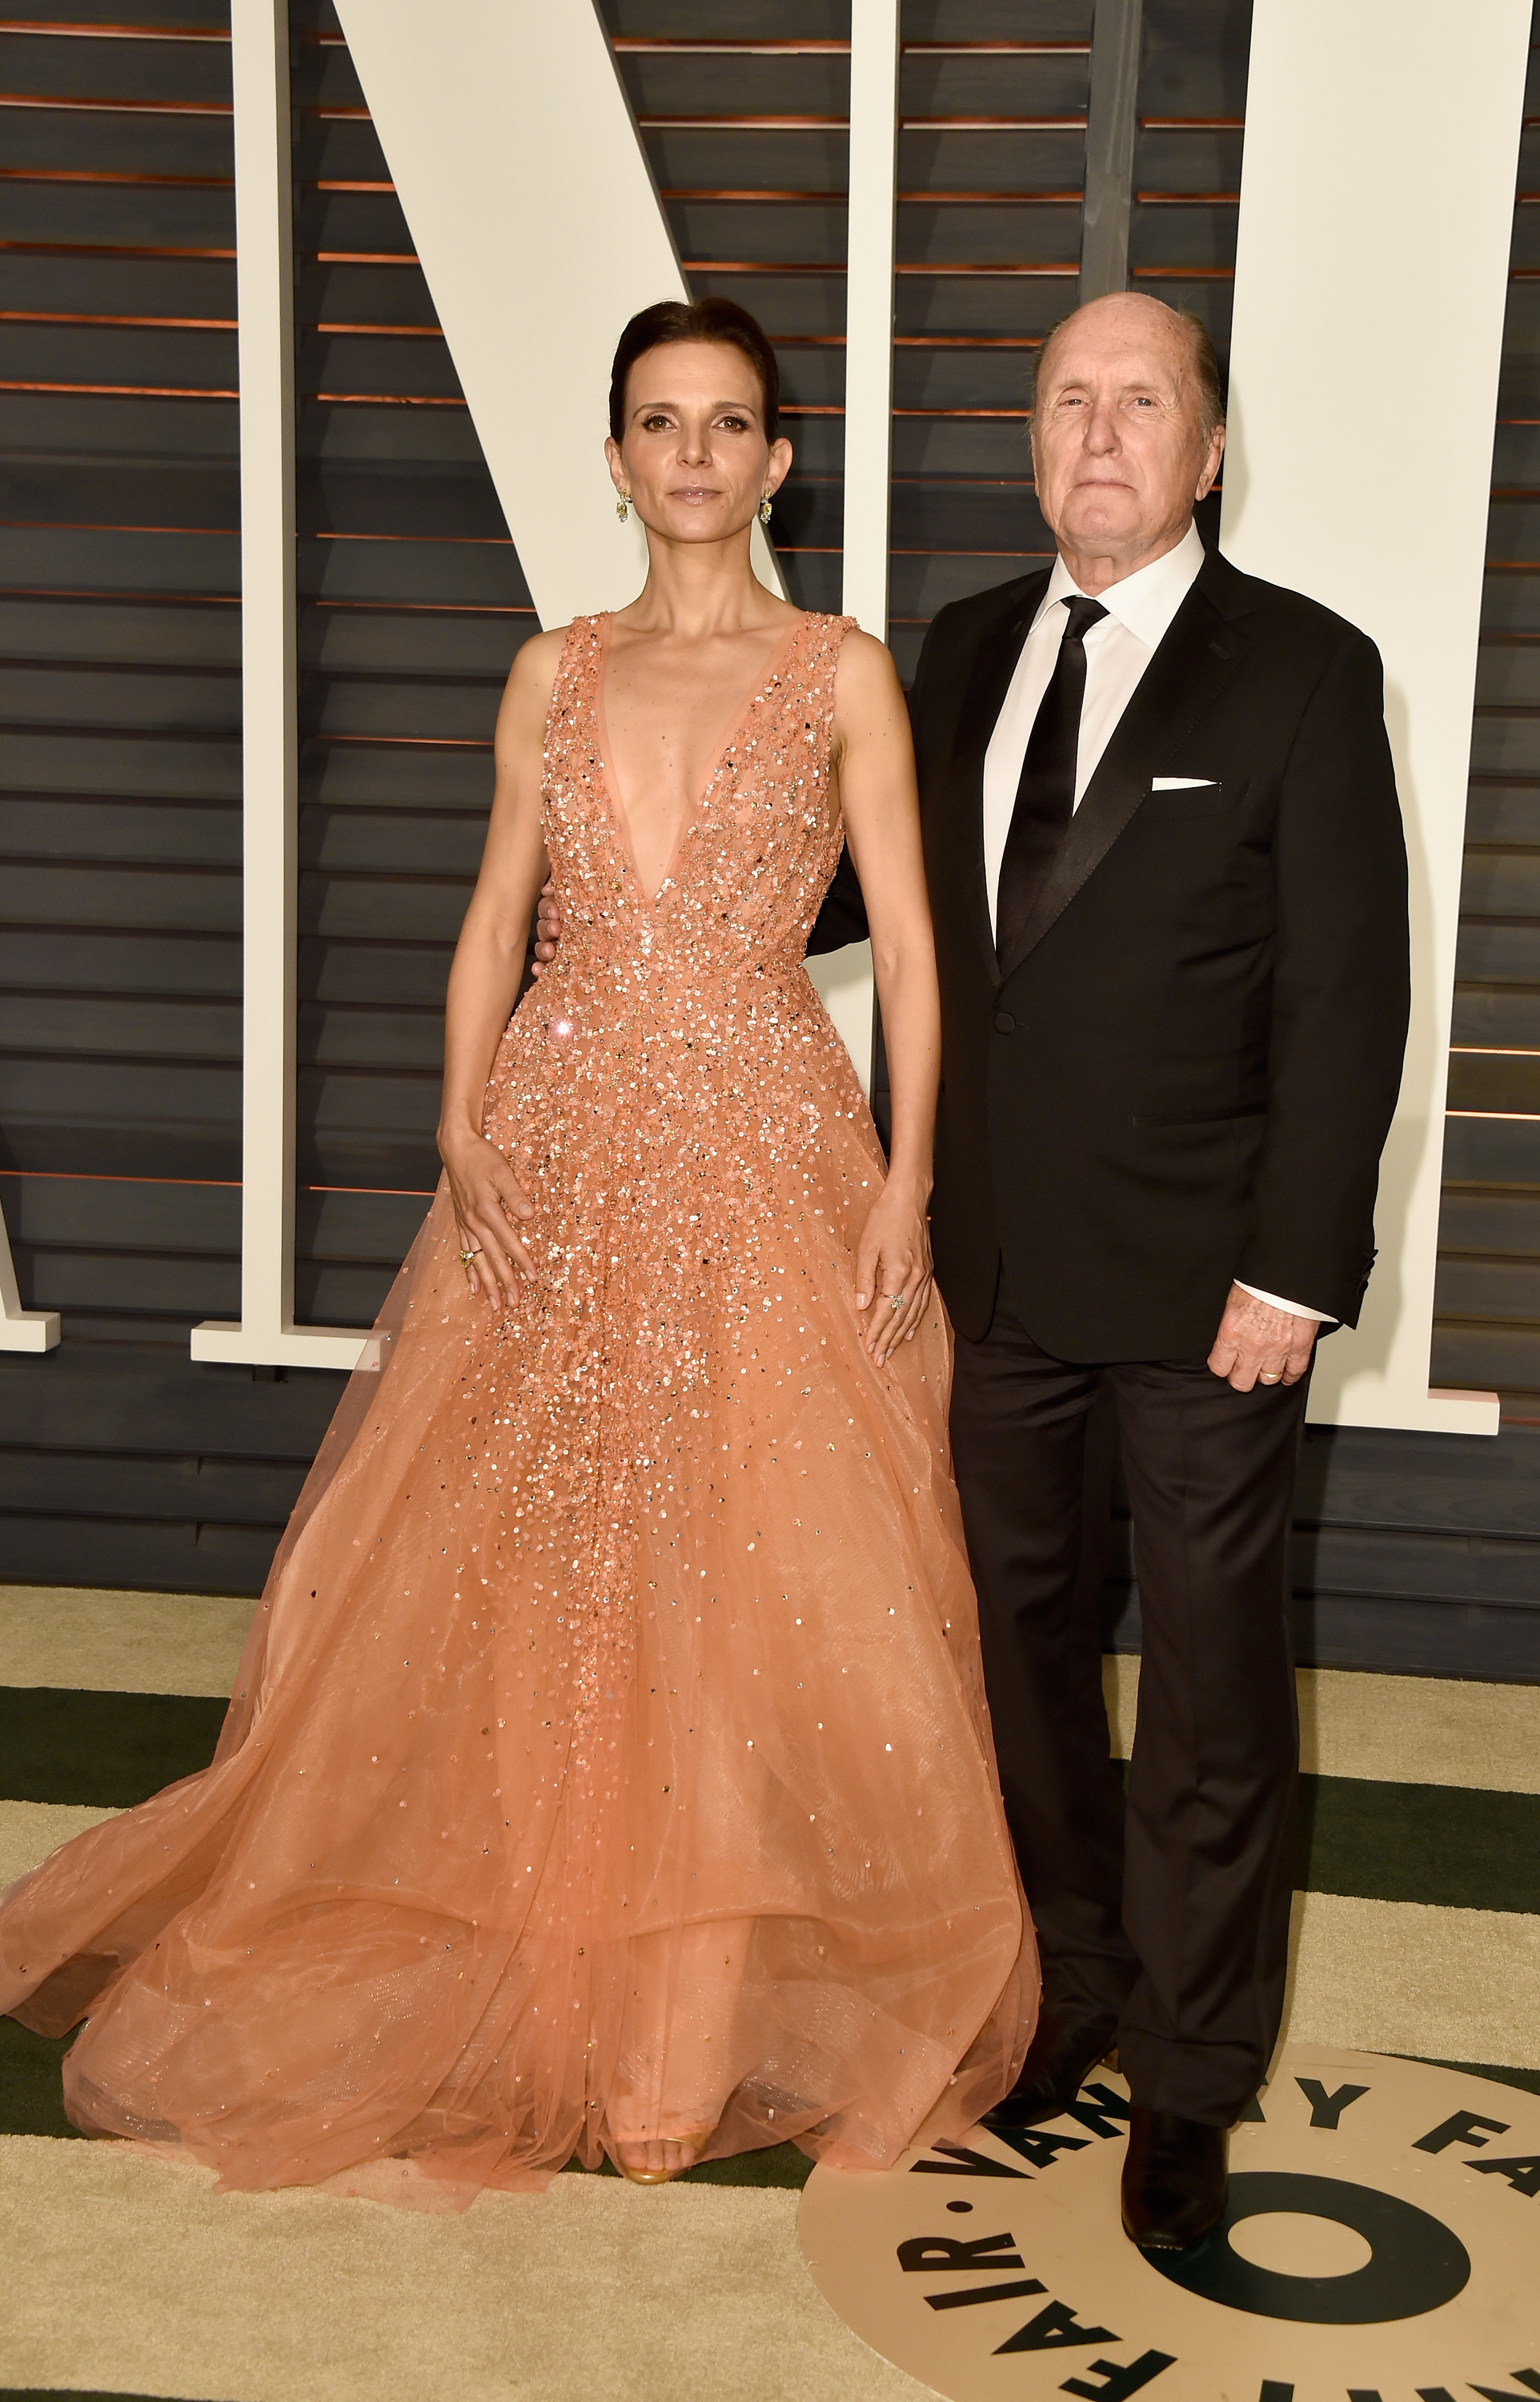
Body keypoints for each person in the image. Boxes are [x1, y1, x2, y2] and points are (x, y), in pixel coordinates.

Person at [0, 297, 1037, 2200]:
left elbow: (908, 942)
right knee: (554, 1568)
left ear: (778, 459)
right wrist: (460, 1113)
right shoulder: (551, 674)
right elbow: (496, 915)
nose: (698, 457)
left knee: (746, 1573)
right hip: (556, 1154)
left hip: (758, 1150)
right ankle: (550, 1975)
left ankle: (678, 2025)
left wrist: (905, 1180)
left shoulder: (844, 674)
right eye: (662, 423)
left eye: (731, 424)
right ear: (620, 455)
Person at [652, 289, 1406, 2251]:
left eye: (1140, 402)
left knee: (1221, 1707)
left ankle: (1196, 2080)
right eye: (1068, 399)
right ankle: (1069, 1991)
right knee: (1017, 1672)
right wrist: (639, 867)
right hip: (981, 1285)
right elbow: (836, 895)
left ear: (1209, 449)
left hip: (1206, 1307)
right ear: (1033, 439)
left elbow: (1347, 1005)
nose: (1099, 432)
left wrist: (1296, 1279)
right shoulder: (964, 650)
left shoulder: (1309, 674)